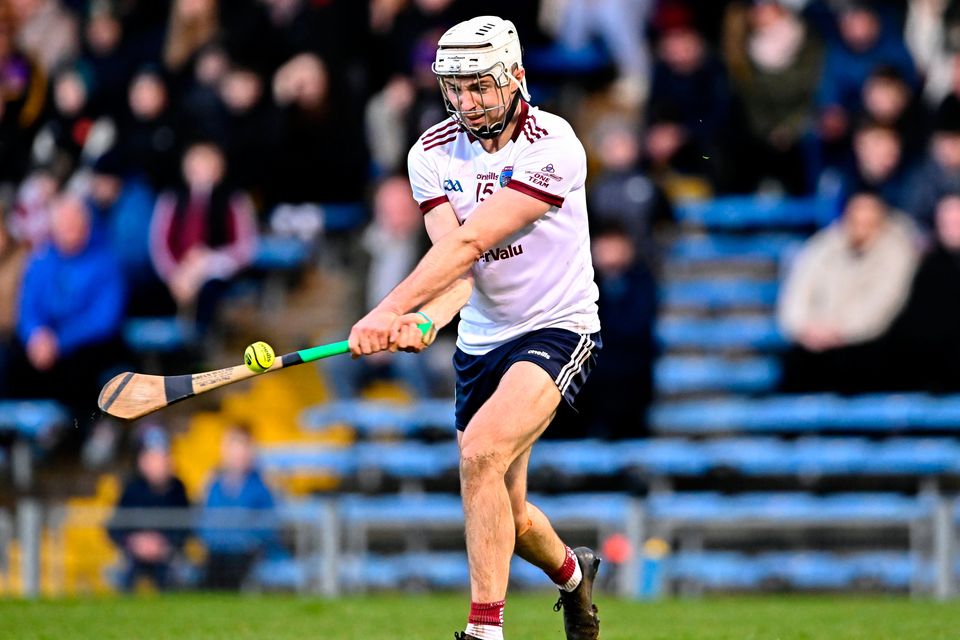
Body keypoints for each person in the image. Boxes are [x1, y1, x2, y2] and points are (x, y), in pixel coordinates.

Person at [348, 16, 602, 640]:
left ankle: (484, 631)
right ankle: (574, 576)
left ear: (515, 77)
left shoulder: (553, 144)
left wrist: (386, 309)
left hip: (556, 326)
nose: (467, 102)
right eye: (455, 87)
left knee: (480, 452)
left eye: (481, 85)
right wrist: (426, 317)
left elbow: (473, 241)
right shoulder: (430, 154)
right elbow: (456, 268)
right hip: (482, 340)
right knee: (510, 515)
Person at [777, 190, 919, 393]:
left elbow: (881, 306)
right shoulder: (823, 246)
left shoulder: (895, 253)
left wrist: (838, 331)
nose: (862, 224)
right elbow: (797, 294)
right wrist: (805, 329)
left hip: (864, 346)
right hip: (814, 343)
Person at [9, 193, 126, 432]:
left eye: (74, 225)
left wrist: (59, 341)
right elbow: (28, 309)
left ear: (86, 225)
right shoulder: (41, 261)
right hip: (45, 345)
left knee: (83, 366)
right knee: (10, 359)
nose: (69, 231)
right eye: (63, 226)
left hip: (85, 345)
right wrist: (36, 335)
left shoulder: (106, 261)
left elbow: (104, 319)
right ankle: (16, 433)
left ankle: (83, 430)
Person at [149, 139, 257, 335]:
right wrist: (175, 274)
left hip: (217, 275)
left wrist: (206, 262)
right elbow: (159, 244)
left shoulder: (233, 199)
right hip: (177, 275)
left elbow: (245, 248)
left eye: (208, 164)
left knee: (208, 295)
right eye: (196, 163)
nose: (201, 170)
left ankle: (200, 341)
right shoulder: (172, 198)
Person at [107, 426, 191, 592]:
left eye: (163, 457)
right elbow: (114, 527)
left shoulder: (178, 489)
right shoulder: (132, 489)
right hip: (134, 554)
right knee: (119, 573)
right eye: (154, 457)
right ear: (142, 461)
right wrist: (134, 542)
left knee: (185, 573)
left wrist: (164, 543)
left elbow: (186, 525)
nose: (160, 463)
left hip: (167, 553)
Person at [197, 424, 279, 591]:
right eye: (233, 446)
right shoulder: (212, 484)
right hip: (217, 552)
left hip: (247, 553)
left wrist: (246, 539)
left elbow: (269, 524)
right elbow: (203, 521)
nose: (238, 454)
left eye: (243, 447)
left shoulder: (262, 485)